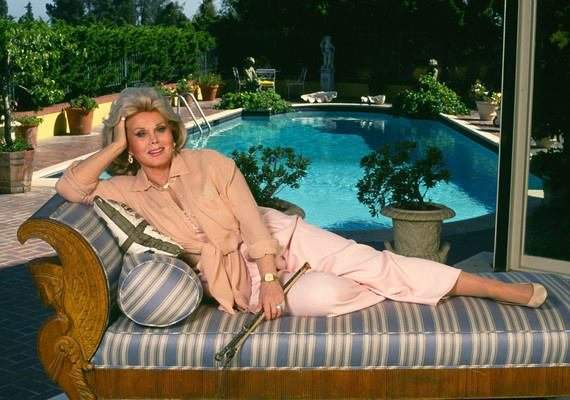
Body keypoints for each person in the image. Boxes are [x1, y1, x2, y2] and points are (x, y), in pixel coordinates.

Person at [56, 87, 548, 321]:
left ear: (173, 130)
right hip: (235, 281)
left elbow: (251, 222)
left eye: (159, 129)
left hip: (278, 239)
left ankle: (489, 288)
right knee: (326, 296)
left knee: (373, 263)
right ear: (127, 142)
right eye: (140, 134)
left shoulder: (210, 162)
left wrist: (272, 277)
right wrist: (115, 145)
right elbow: (71, 188)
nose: (154, 141)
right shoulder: (124, 190)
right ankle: (405, 285)